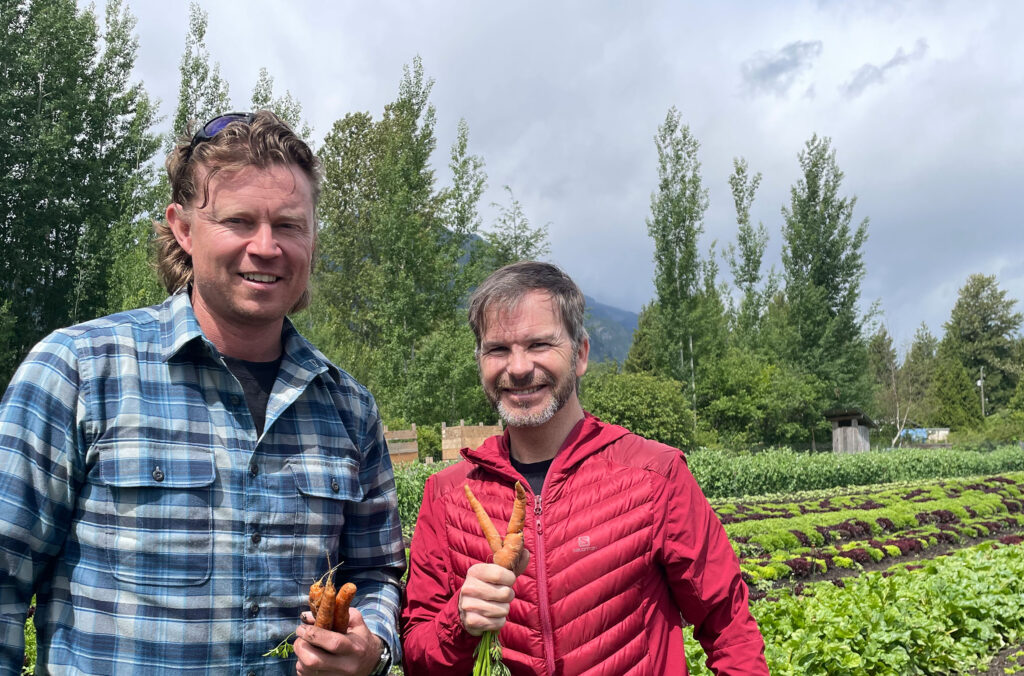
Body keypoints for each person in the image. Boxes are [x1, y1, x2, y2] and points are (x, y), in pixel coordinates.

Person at [0, 111, 403, 675]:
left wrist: (375, 649)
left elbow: (379, 572)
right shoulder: (79, 372)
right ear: (184, 229)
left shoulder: (349, 408)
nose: (266, 247)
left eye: (289, 225)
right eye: (239, 221)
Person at [401, 261, 768, 675]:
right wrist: (459, 623)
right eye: (498, 349)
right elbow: (416, 653)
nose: (518, 368)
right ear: (480, 362)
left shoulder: (655, 476)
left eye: (540, 344)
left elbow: (729, 627)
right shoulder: (447, 495)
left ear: (580, 355)